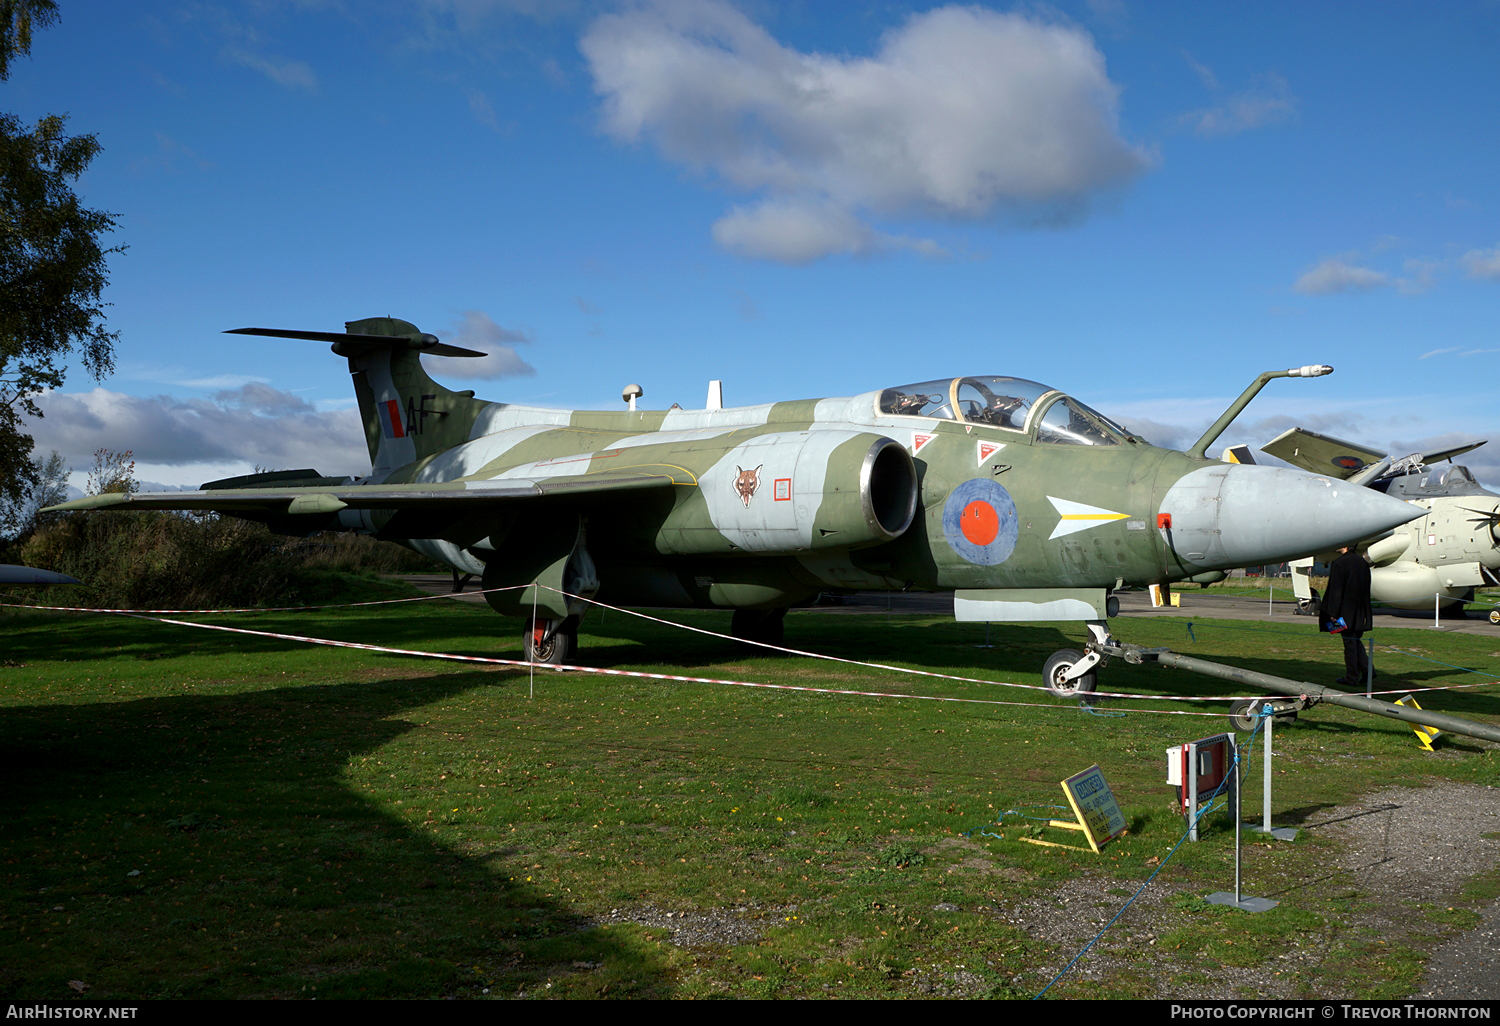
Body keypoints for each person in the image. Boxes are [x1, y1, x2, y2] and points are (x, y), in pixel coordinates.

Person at [1320, 545, 1374, 685]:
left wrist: (1333, 613)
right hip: (1360, 610)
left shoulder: (1340, 563)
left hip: (1345, 611)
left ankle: (1352, 677)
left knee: (1349, 643)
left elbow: (1336, 590)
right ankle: (1368, 671)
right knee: (1355, 640)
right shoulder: (1362, 562)